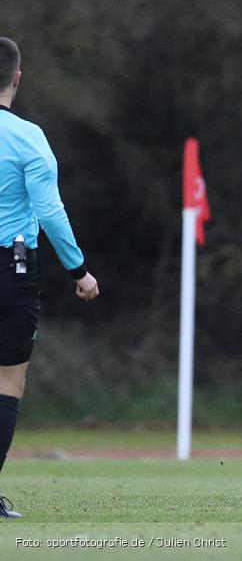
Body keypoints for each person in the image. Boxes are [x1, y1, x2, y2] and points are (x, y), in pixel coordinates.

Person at [0, 37, 100, 519]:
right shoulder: (27, 137)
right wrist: (78, 269)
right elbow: (49, 211)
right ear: (17, 78)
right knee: (7, 378)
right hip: (10, 268)